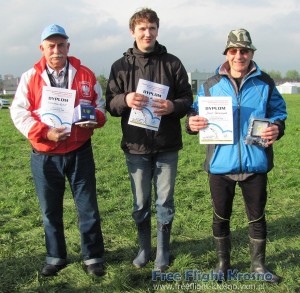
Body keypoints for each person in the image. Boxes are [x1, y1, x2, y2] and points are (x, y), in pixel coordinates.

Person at [186, 28, 287, 283]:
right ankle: (223, 265)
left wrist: (278, 127)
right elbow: (194, 113)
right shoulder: (210, 85)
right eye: (234, 51)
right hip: (221, 164)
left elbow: (278, 111)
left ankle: (258, 266)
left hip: (256, 163)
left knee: (257, 217)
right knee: (221, 217)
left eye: (244, 50)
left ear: (251, 52)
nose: (239, 55)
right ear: (227, 54)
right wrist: (191, 124)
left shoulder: (265, 82)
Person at [10, 24, 107, 277]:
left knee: (88, 207)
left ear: (68, 46)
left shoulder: (85, 74)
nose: (56, 50)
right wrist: (46, 132)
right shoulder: (29, 77)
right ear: (42, 48)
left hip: (79, 150)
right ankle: (55, 256)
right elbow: (18, 112)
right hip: (45, 154)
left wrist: (94, 118)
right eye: (51, 46)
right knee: (50, 210)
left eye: (61, 45)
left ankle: (93, 257)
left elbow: (100, 106)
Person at [106, 8, 193, 271]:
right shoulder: (120, 66)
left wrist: (172, 107)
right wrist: (126, 100)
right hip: (136, 146)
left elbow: (187, 99)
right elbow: (109, 104)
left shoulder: (173, 63)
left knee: (165, 200)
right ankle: (144, 248)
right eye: (142, 28)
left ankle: (163, 251)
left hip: (167, 145)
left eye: (152, 28)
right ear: (133, 32)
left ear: (157, 30)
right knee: (141, 201)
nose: (147, 33)